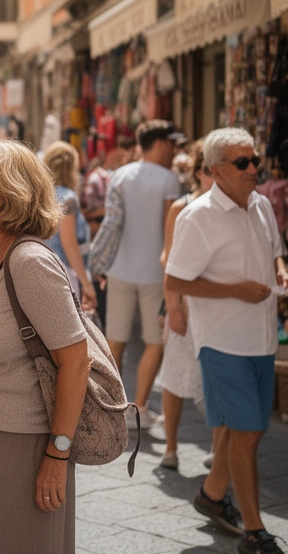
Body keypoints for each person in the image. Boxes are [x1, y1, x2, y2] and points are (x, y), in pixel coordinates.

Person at [0, 138, 90, 554]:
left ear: (8, 191)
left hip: (22, 449)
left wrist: (57, 456)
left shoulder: (30, 262)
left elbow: (75, 363)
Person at [165, 128, 288, 554]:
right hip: (222, 341)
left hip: (262, 337)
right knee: (248, 431)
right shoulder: (197, 216)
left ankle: (212, 495)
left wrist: (280, 269)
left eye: (254, 160)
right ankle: (255, 531)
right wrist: (236, 290)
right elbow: (176, 279)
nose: (253, 168)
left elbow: (275, 248)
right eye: (243, 163)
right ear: (216, 170)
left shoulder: (261, 205)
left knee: (241, 429)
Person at [102, 120, 183, 427]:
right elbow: (169, 228)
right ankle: (140, 408)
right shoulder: (168, 179)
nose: (174, 150)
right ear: (160, 144)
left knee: (115, 340)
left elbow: (113, 223)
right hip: (154, 271)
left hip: (119, 267)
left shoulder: (119, 175)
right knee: (154, 342)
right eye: (172, 144)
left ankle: (109, 405)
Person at [157, 139, 212, 470]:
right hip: (186, 299)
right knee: (176, 374)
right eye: (208, 169)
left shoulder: (237, 205)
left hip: (217, 303)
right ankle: (171, 446)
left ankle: (219, 449)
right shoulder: (182, 206)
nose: (214, 177)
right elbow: (167, 258)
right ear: (199, 171)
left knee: (218, 376)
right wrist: (172, 304)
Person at [40, 142, 96, 312]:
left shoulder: (40, 193)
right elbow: (70, 245)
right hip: (64, 273)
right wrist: (86, 284)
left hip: (41, 267)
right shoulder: (67, 198)